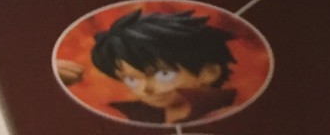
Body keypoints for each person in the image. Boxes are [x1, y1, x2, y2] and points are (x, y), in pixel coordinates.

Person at [85, 8, 239, 125]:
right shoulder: (129, 116)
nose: (146, 89)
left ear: (210, 72)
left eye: (164, 74)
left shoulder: (229, 116)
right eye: (132, 80)